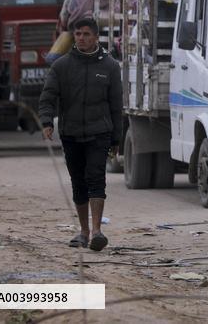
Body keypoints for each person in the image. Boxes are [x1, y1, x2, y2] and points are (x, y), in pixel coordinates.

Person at [38, 18, 123, 252]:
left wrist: (117, 138)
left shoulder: (110, 66)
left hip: (99, 133)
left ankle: (97, 231)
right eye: (78, 34)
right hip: (71, 133)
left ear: (96, 37)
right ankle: (83, 232)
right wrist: (47, 122)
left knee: (96, 179)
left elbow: (116, 106)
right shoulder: (62, 66)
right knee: (78, 182)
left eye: (86, 34)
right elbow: (47, 97)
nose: (81, 38)